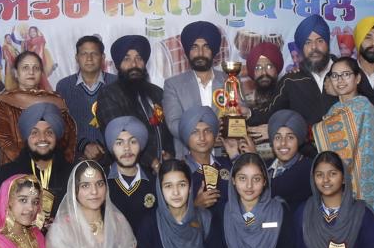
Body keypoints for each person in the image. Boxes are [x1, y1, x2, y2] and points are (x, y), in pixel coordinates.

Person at [269, 15, 374, 128]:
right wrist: (262, 122)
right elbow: (269, 114)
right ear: (301, 48)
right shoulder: (291, 80)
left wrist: (343, 93)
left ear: (327, 43)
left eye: (320, 41)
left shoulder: (350, 69)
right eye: (308, 42)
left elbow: (372, 108)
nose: (314, 47)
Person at [0, 102, 74, 232]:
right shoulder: (4, 176)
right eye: (34, 132)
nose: (42, 138)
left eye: (49, 132)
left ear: (57, 136)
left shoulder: (73, 175)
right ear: (26, 136)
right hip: (17, 244)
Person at [314, 56, 374, 221]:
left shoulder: (363, 105)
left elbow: (326, 131)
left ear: (357, 78)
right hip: (339, 181)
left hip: (362, 179)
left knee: (362, 225)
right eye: (335, 76)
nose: (340, 80)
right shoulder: (335, 109)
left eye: (346, 74)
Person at [96, 35, 173, 173]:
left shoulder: (157, 92)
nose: (134, 64)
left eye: (139, 58)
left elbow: (168, 129)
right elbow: (120, 135)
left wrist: (169, 155)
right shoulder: (109, 94)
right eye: (127, 59)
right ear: (118, 65)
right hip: (130, 171)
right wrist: (153, 162)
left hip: (162, 169)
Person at [0, 50, 77, 165]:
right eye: (25, 68)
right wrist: (30, 165)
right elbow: (5, 140)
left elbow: (68, 138)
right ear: (16, 73)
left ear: (41, 73)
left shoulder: (56, 100)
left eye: (36, 68)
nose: (31, 72)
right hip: (17, 168)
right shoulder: (4, 102)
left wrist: (57, 164)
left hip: (53, 167)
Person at [163, 21, 228, 159]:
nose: (200, 53)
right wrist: (208, 137)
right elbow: (174, 123)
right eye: (194, 47)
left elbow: (240, 114)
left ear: (214, 50)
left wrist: (246, 113)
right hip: (187, 160)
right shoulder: (173, 85)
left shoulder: (229, 80)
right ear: (187, 51)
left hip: (224, 156)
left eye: (206, 47)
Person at [55, 35, 117, 162]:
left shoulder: (116, 83)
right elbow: (61, 125)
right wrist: (83, 145)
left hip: (111, 158)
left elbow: (121, 123)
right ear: (76, 58)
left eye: (94, 53)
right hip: (75, 159)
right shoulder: (63, 86)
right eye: (84, 54)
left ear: (103, 57)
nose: (89, 58)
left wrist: (100, 146)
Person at [106, 116, 157, 226]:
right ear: (111, 148)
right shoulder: (101, 183)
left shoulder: (154, 182)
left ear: (140, 145)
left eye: (133, 142)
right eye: (119, 143)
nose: (127, 148)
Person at [180, 105, 231, 215]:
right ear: (186, 136)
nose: (202, 137)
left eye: (207, 131)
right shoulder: (179, 172)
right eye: (195, 132)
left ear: (215, 135)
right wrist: (195, 206)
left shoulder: (228, 164)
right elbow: (170, 218)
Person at [243, 41, 284, 161]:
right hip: (251, 164)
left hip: (283, 165)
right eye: (258, 68)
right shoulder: (244, 102)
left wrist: (274, 130)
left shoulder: (286, 98)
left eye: (269, 67)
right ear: (253, 72)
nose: (264, 73)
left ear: (277, 70)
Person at [266, 110, 313, 210]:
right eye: (278, 137)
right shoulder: (267, 165)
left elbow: (277, 188)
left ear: (299, 140)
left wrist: (252, 160)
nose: (283, 143)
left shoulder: (307, 167)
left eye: (290, 137)